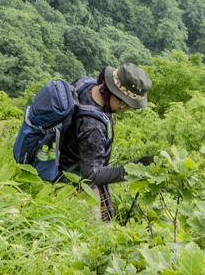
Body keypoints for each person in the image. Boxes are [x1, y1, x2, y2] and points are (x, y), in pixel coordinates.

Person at [60, 63, 151, 221]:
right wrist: (135, 169)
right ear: (120, 101)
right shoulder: (93, 128)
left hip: (65, 160)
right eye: (129, 106)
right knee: (99, 233)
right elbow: (92, 175)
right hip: (76, 181)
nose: (127, 110)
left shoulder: (87, 83)